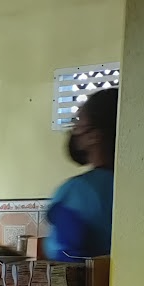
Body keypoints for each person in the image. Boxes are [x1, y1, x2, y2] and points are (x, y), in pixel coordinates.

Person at [45, 88, 116, 260]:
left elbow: (66, 258)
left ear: (95, 136)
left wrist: (6, 270)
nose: (73, 129)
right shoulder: (139, 185)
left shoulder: (76, 192)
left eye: (78, 121)